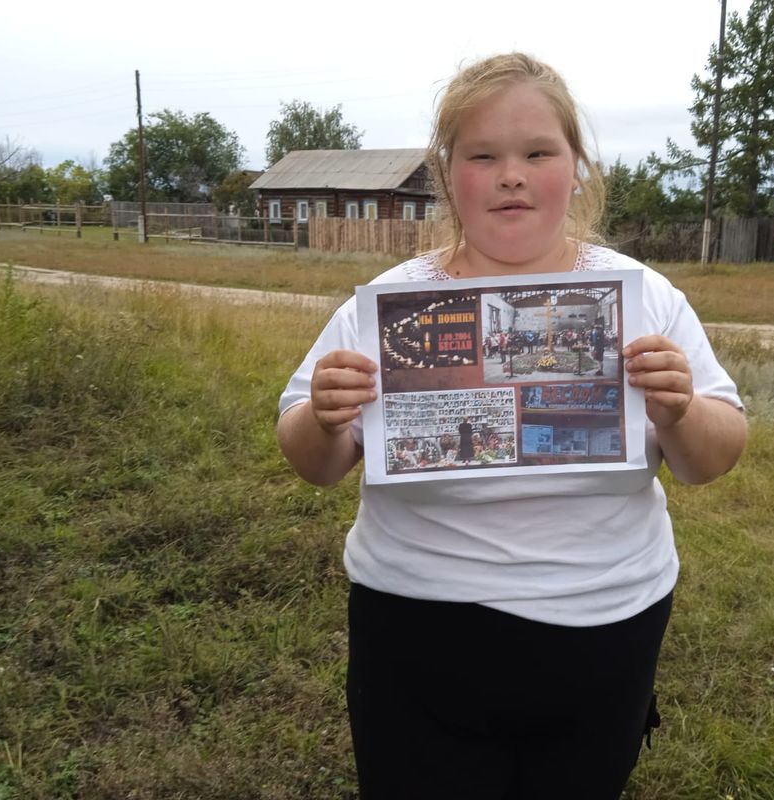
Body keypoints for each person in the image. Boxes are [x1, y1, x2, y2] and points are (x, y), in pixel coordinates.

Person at [276, 52, 747, 800]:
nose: (511, 176)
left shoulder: (643, 297)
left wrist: (680, 411)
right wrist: (324, 416)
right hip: (416, 625)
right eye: (483, 156)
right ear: (447, 174)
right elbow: (316, 462)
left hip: (607, 621)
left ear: (576, 169)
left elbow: (709, 460)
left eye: (537, 153)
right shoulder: (388, 305)